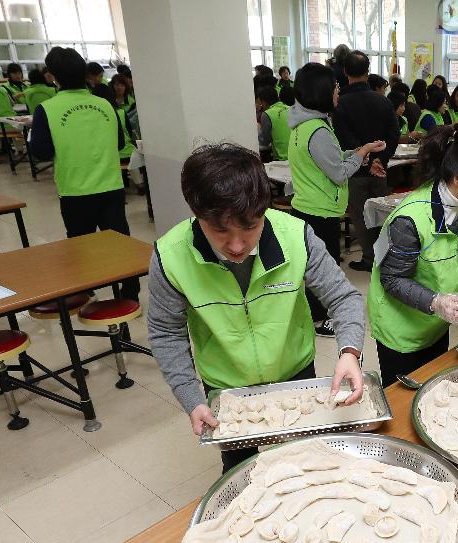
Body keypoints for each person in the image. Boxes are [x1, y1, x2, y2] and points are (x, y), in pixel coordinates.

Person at [147, 143, 366, 472]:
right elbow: (166, 333)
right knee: (241, 471)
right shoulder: (171, 256)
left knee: (306, 464)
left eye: (250, 227)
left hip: (294, 371)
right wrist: (191, 398)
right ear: (197, 215)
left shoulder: (295, 236)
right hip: (226, 387)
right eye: (219, 230)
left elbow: (342, 296)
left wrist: (349, 351)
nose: (236, 245)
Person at [369, 126, 458, 386]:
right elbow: (392, 279)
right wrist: (437, 302)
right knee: (404, 397)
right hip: (402, 331)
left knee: (434, 386)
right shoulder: (409, 219)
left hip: (434, 324)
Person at [29, 46, 139, 302]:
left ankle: (86, 290)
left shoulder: (47, 109)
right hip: (111, 185)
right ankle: (130, 291)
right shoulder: (105, 104)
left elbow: (42, 152)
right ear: (85, 74)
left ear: (53, 77)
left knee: (80, 243)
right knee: (121, 242)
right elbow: (118, 142)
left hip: (75, 190)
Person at [288, 61, 385, 336]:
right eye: (335, 85)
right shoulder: (317, 130)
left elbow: (330, 159)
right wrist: (363, 150)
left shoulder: (302, 124)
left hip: (307, 206)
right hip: (320, 210)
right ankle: (321, 319)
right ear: (322, 91)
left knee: (316, 265)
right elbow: (339, 173)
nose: (338, 90)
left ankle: (315, 313)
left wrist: (358, 155)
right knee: (324, 267)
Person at [333, 51, 401, 272]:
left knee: (361, 216)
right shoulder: (382, 100)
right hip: (380, 170)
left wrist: (367, 158)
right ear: (368, 71)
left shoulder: (341, 103)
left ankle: (369, 258)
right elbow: (394, 132)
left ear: (345, 72)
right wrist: (380, 159)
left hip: (355, 170)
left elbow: (344, 137)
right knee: (381, 214)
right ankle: (384, 255)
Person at [255, 85, 290, 161]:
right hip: (295, 156)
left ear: (263, 101)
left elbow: (265, 141)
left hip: (281, 158)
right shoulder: (289, 109)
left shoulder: (267, 114)